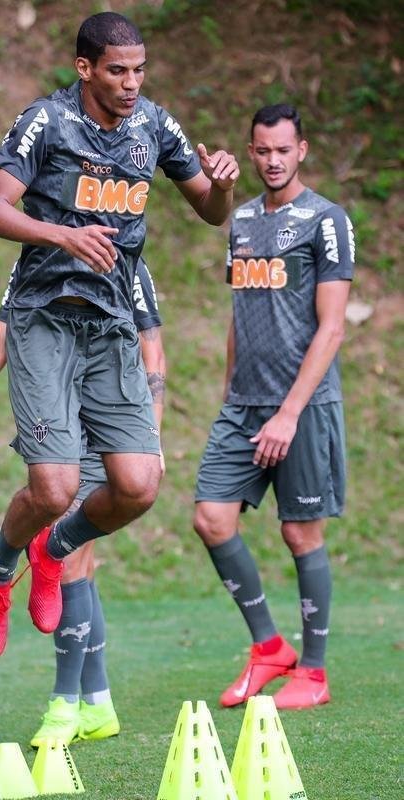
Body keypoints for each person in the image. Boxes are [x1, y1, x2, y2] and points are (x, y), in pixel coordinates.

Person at [0, 11, 239, 659]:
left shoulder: (154, 124)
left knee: (138, 486)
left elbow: (208, 211)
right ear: (84, 68)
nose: (130, 83)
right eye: (117, 71)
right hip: (44, 317)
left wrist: (226, 188)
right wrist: (63, 233)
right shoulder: (48, 121)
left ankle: (50, 546)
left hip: (112, 322)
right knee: (55, 488)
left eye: (139, 69)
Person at [193, 104, 355, 710]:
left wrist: (288, 413)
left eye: (283, 149)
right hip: (244, 403)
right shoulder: (240, 222)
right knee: (212, 517)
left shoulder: (326, 221)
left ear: (302, 150)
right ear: (252, 151)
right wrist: (229, 386)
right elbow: (242, 312)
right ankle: (269, 649)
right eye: (261, 150)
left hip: (303, 405)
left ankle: (313, 672)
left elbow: (332, 328)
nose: (272, 160)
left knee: (298, 532)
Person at [0, 257, 165, 744]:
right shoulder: (35, 259)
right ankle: (95, 702)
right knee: (74, 559)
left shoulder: (126, 260)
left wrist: (150, 440)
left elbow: (153, 356)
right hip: (59, 427)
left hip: (112, 428)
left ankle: (64, 706)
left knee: (74, 560)